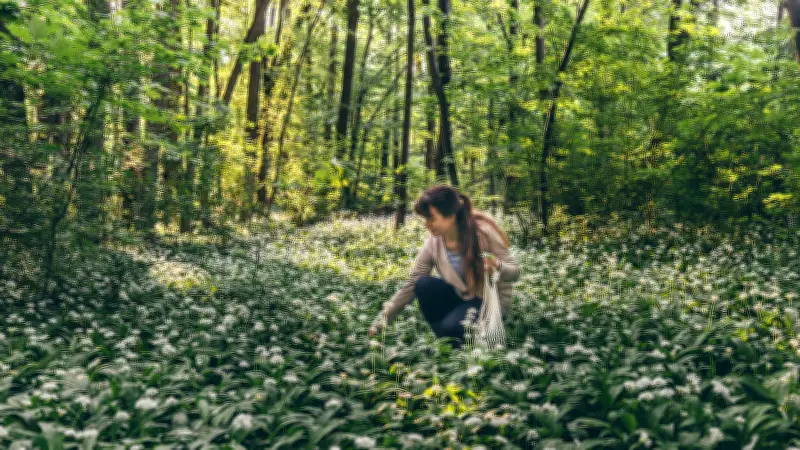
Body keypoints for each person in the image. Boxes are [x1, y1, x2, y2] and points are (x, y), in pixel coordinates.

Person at [369, 184, 521, 349]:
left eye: (431, 218)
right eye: (425, 219)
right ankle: (449, 339)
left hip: (489, 301)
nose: (426, 224)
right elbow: (412, 284)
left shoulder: (483, 233)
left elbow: (515, 272)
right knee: (423, 284)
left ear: (451, 216)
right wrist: (380, 322)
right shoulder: (433, 243)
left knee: (452, 327)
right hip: (462, 297)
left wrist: (498, 266)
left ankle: (455, 337)